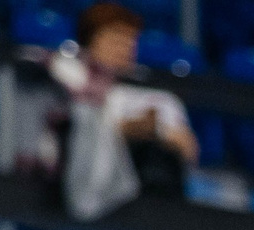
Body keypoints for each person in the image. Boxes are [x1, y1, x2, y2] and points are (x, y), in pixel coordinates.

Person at [50, 1, 196, 216]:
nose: (124, 47)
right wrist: (140, 128)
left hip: (153, 193)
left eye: (130, 39)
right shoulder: (74, 80)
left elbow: (186, 147)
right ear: (90, 41)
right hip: (83, 193)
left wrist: (142, 130)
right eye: (115, 38)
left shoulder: (158, 95)